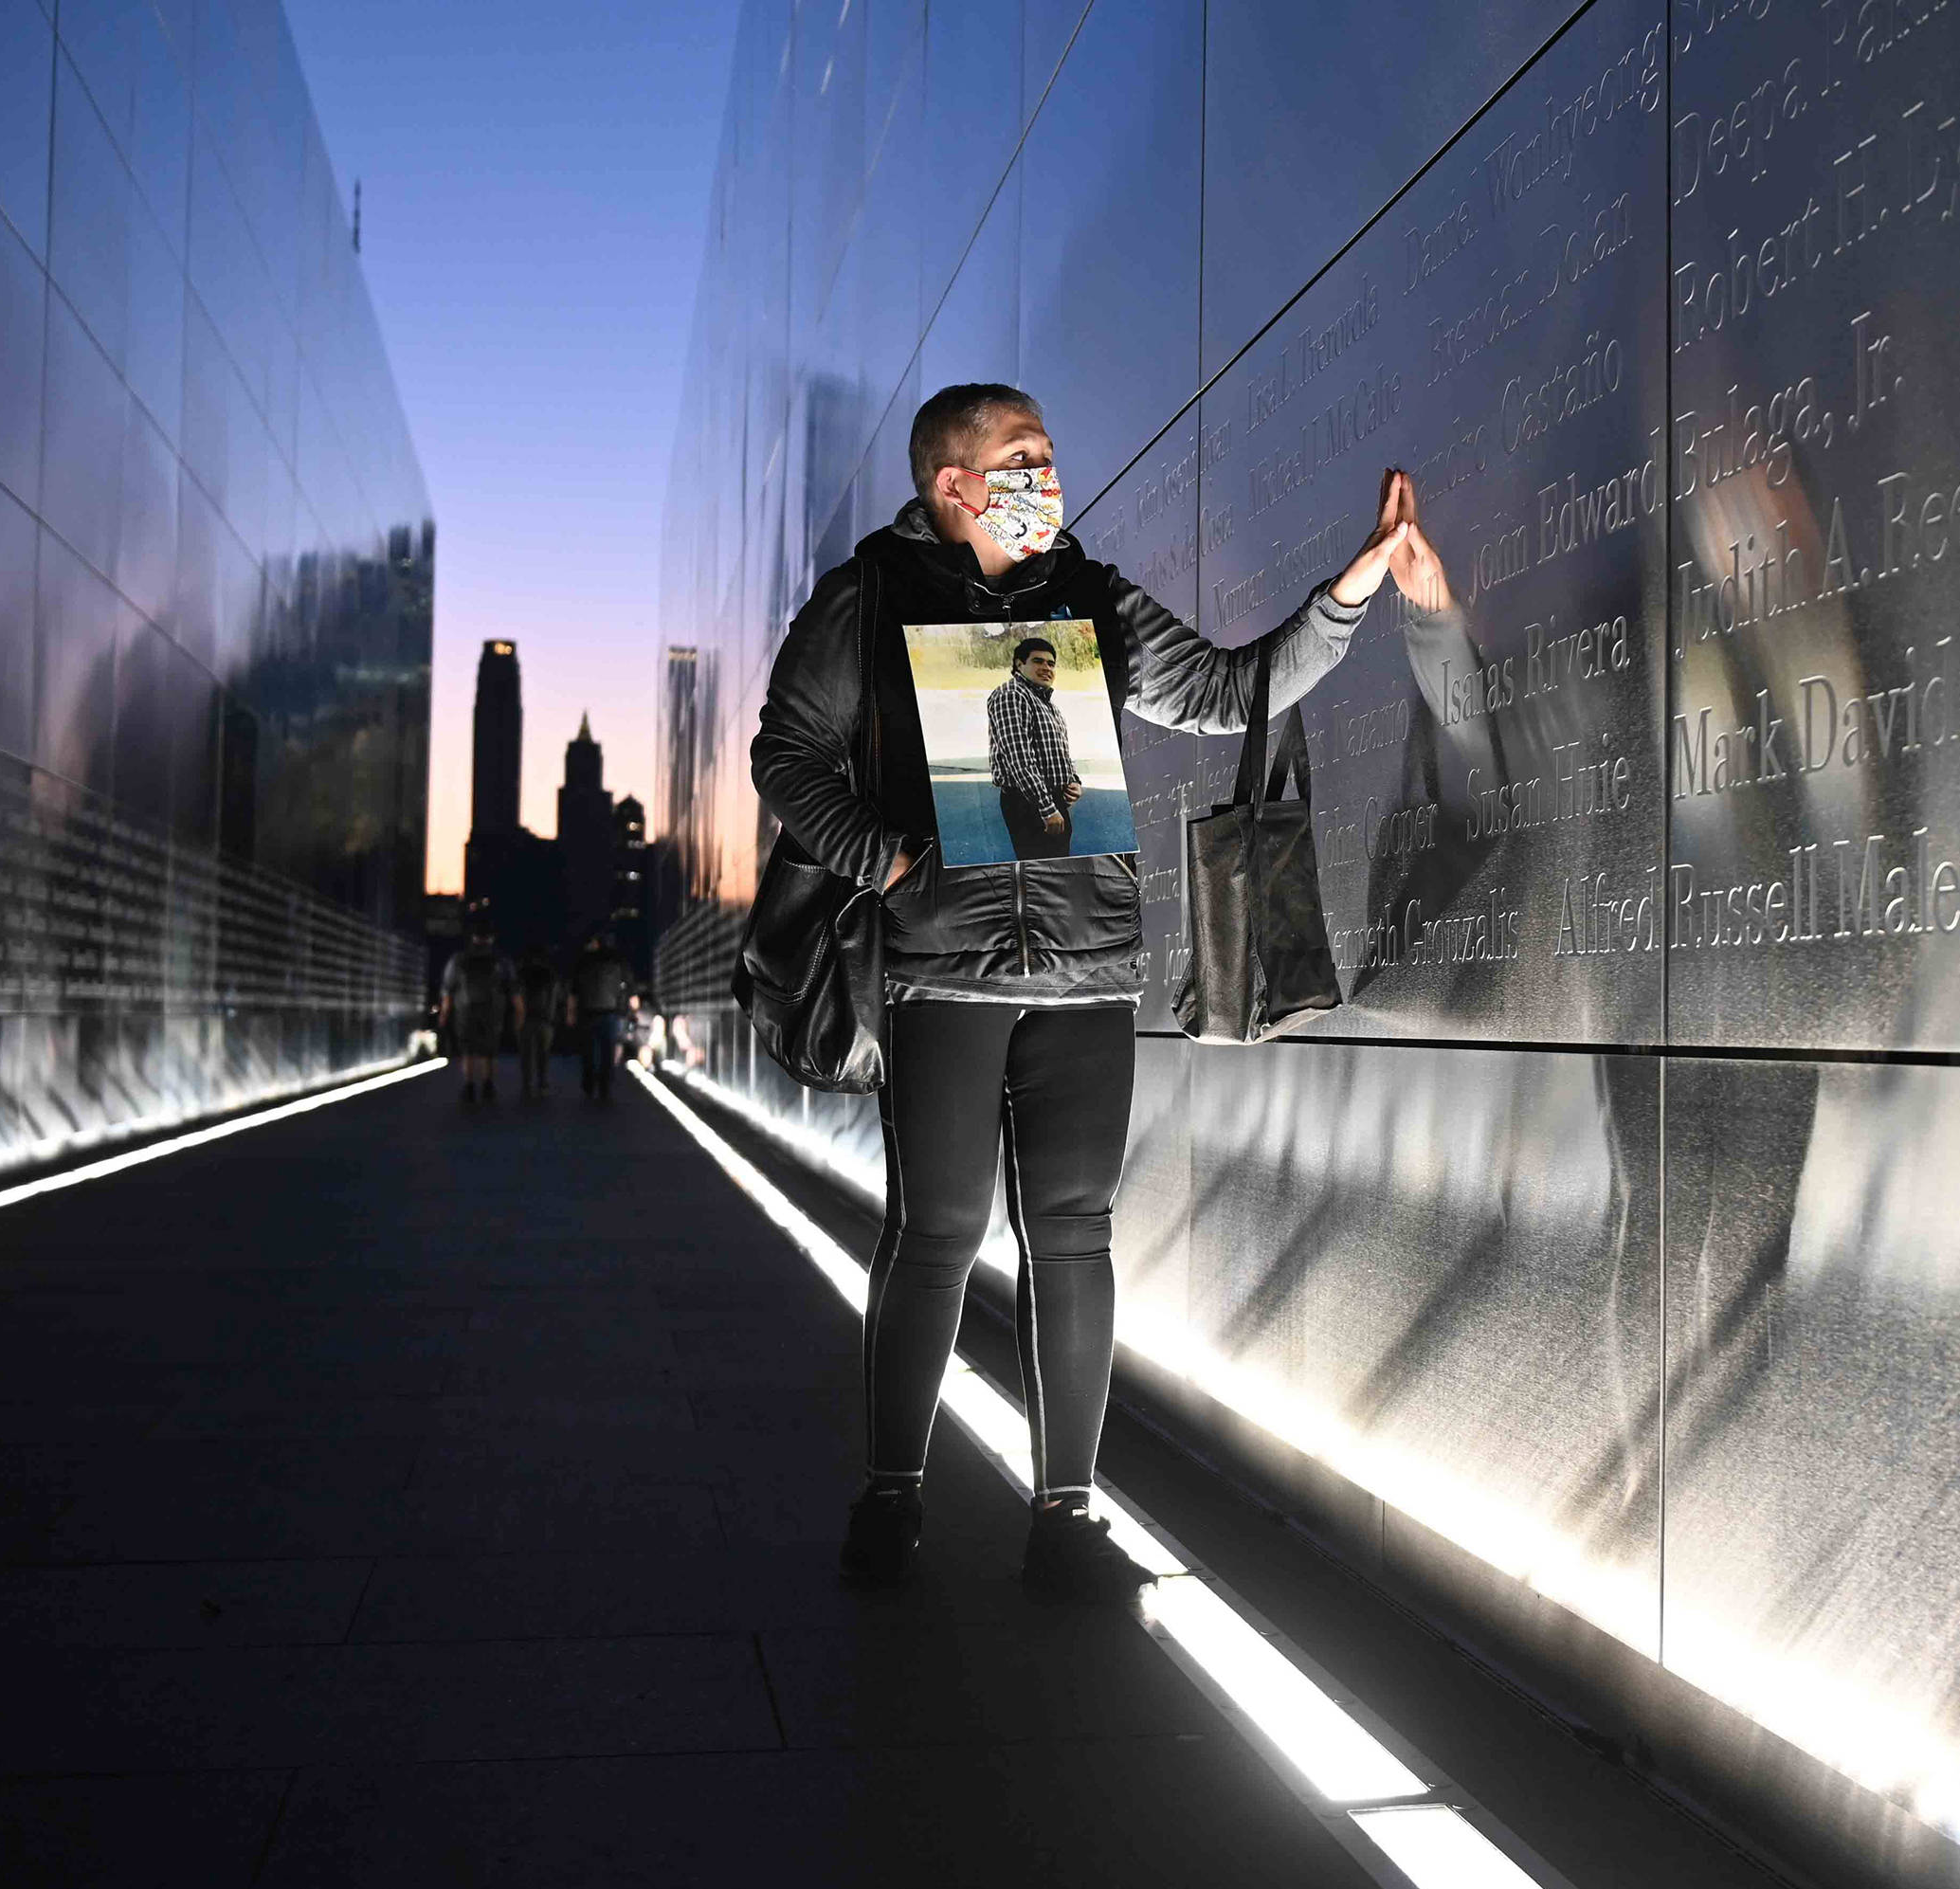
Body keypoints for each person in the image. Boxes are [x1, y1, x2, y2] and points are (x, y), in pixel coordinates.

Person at [753, 381, 1447, 1596]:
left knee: (1075, 1235)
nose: (1051, 478)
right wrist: (893, 859)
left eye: (1053, 456)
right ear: (952, 484)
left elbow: (1232, 691)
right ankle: (891, 1497)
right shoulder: (870, 598)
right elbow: (786, 753)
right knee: (938, 1230)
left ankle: (1065, 1516)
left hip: (1088, 969)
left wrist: (1351, 591)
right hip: (941, 970)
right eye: (1024, 458)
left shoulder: (1092, 596)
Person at [988, 635, 1080, 859]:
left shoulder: (1048, 705)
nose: (1046, 668)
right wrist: (1047, 809)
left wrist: (1074, 781)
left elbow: (1061, 754)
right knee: (1042, 873)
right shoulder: (1012, 695)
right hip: (1029, 804)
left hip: (1052, 801)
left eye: (1051, 663)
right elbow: (1019, 759)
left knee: (1059, 869)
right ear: (1019, 665)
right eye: (1038, 661)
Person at [438, 924, 508, 1103]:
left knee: (468, 1050)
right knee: (489, 1051)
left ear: (473, 938)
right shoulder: (499, 961)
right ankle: (488, 1085)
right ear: (491, 939)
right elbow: (513, 989)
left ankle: (469, 1086)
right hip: (492, 1012)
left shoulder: (459, 959)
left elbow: (448, 990)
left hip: (465, 1011)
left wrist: (444, 1016)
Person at [568, 931, 633, 1099]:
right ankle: (605, 1086)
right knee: (607, 1051)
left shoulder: (584, 961)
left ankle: (588, 1084)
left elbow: (574, 991)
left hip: (587, 1011)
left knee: (588, 1050)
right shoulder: (619, 961)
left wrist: (571, 1013)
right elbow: (628, 988)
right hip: (611, 1012)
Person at [512, 946, 561, 1099]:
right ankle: (542, 1083)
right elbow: (554, 997)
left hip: (526, 1018)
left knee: (526, 1054)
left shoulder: (520, 973)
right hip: (545, 1019)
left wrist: (517, 1018)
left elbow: (516, 995)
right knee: (543, 1054)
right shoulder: (550, 974)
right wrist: (551, 1017)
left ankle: (527, 1084)